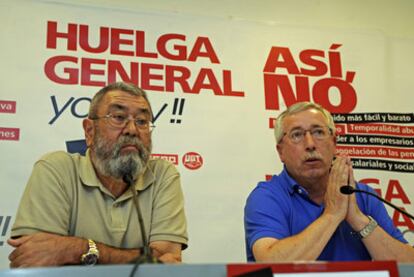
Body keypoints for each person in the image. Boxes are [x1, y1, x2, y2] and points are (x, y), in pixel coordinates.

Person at [8, 82, 188, 267]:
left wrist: (79, 248)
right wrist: (143, 258)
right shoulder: (56, 169)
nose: (132, 130)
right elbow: (34, 261)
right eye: (118, 117)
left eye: (142, 121)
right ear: (89, 131)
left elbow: (168, 263)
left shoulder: (162, 175)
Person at [244, 101, 414, 262]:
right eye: (297, 135)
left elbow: (409, 266)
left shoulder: (363, 196)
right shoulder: (267, 197)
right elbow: (270, 264)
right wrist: (332, 215)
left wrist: (358, 219)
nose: (310, 144)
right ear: (281, 151)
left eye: (318, 132)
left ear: (334, 143)